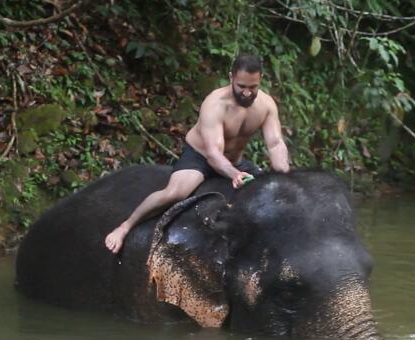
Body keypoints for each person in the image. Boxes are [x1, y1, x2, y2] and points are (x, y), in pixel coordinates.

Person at [104, 53, 291, 254]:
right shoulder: (215, 104)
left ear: (260, 79)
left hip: (235, 162)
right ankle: (125, 227)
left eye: (252, 87)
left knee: (273, 195)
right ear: (231, 78)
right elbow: (212, 153)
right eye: (241, 87)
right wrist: (234, 174)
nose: (247, 93)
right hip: (201, 157)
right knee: (175, 193)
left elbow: (275, 143)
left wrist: (285, 175)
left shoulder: (266, 105)